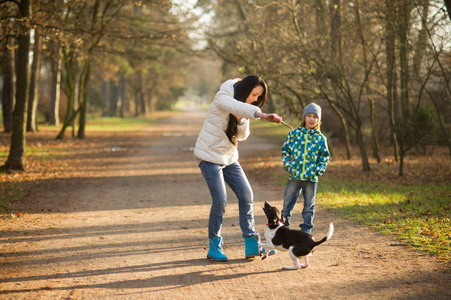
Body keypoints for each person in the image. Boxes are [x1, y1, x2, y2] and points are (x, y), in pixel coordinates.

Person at [194, 75, 282, 261]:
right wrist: (262, 115)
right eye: (254, 94)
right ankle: (214, 245)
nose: (255, 99)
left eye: (258, 97)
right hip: (209, 156)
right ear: (245, 89)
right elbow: (234, 106)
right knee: (220, 200)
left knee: (246, 194)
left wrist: (242, 119)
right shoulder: (224, 95)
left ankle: (251, 243)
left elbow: (242, 135)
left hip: (229, 157)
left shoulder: (244, 107)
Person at [281, 103, 330, 234]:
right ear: (304, 117)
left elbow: (324, 156)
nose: (311, 119)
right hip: (294, 177)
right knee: (287, 205)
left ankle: (306, 232)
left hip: (311, 178)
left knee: (309, 207)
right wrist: (288, 165)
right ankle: (283, 229)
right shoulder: (294, 134)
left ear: (318, 120)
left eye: (315, 117)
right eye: (309, 115)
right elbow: (285, 150)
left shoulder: (320, 138)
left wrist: (318, 170)